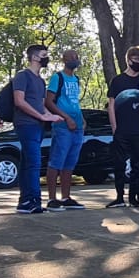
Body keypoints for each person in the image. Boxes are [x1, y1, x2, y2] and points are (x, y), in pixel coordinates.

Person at [14, 44, 62, 213]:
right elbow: (19, 101)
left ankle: (25, 201)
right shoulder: (22, 76)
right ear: (34, 57)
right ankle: (34, 200)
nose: (46, 58)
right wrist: (41, 116)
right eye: (43, 55)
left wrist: (50, 116)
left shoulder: (40, 80)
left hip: (37, 126)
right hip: (25, 124)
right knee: (34, 162)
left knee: (27, 162)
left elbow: (41, 105)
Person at [105, 46, 139, 208]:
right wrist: (114, 127)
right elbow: (111, 105)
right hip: (122, 129)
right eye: (137, 60)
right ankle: (119, 197)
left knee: (137, 165)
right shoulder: (118, 81)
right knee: (119, 164)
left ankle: (133, 197)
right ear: (129, 60)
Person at [45, 50, 86, 210]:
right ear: (65, 60)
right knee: (57, 161)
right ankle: (51, 198)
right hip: (62, 126)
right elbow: (49, 102)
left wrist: (81, 119)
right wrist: (66, 118)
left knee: (70, 163)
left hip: (77, 126)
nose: (75, 60)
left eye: (77, 57)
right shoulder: (58, 77)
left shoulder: (76, 79)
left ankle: (66, 197)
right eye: (72, 58)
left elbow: (74, 101)